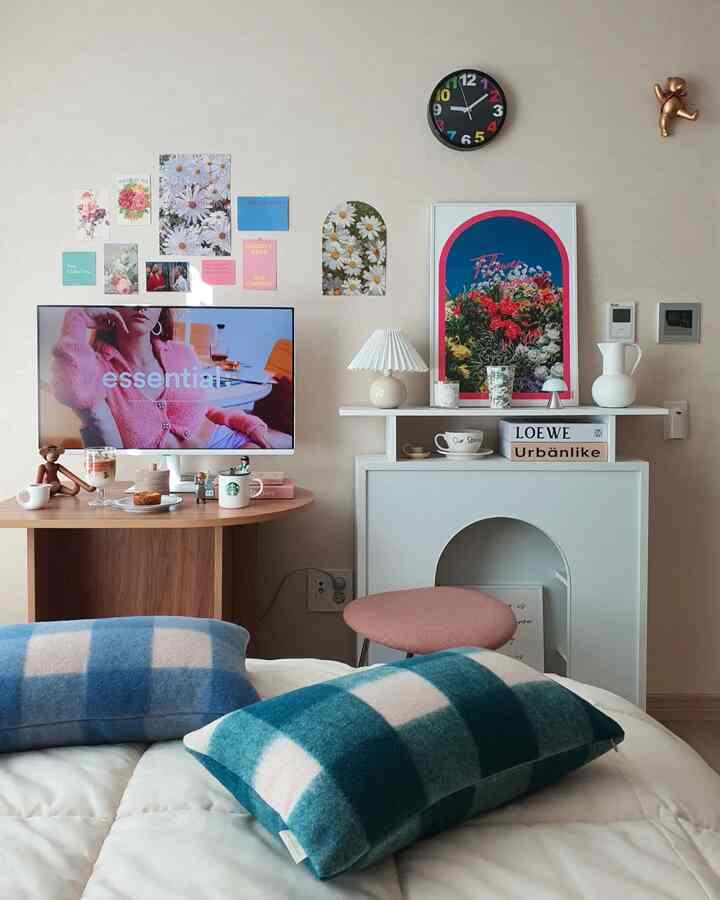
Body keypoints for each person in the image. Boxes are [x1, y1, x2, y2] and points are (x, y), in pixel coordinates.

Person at [52, 307, 292, 450]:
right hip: (184, 473)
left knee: (295, 447)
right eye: (130, 297)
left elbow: (203, 410)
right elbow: (76, 394)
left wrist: (248, 424)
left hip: (229, 446)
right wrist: (77, 318)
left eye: (151, 300)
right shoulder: (98, 367)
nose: (141, 305)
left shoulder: (181, 353)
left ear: (161, 311)